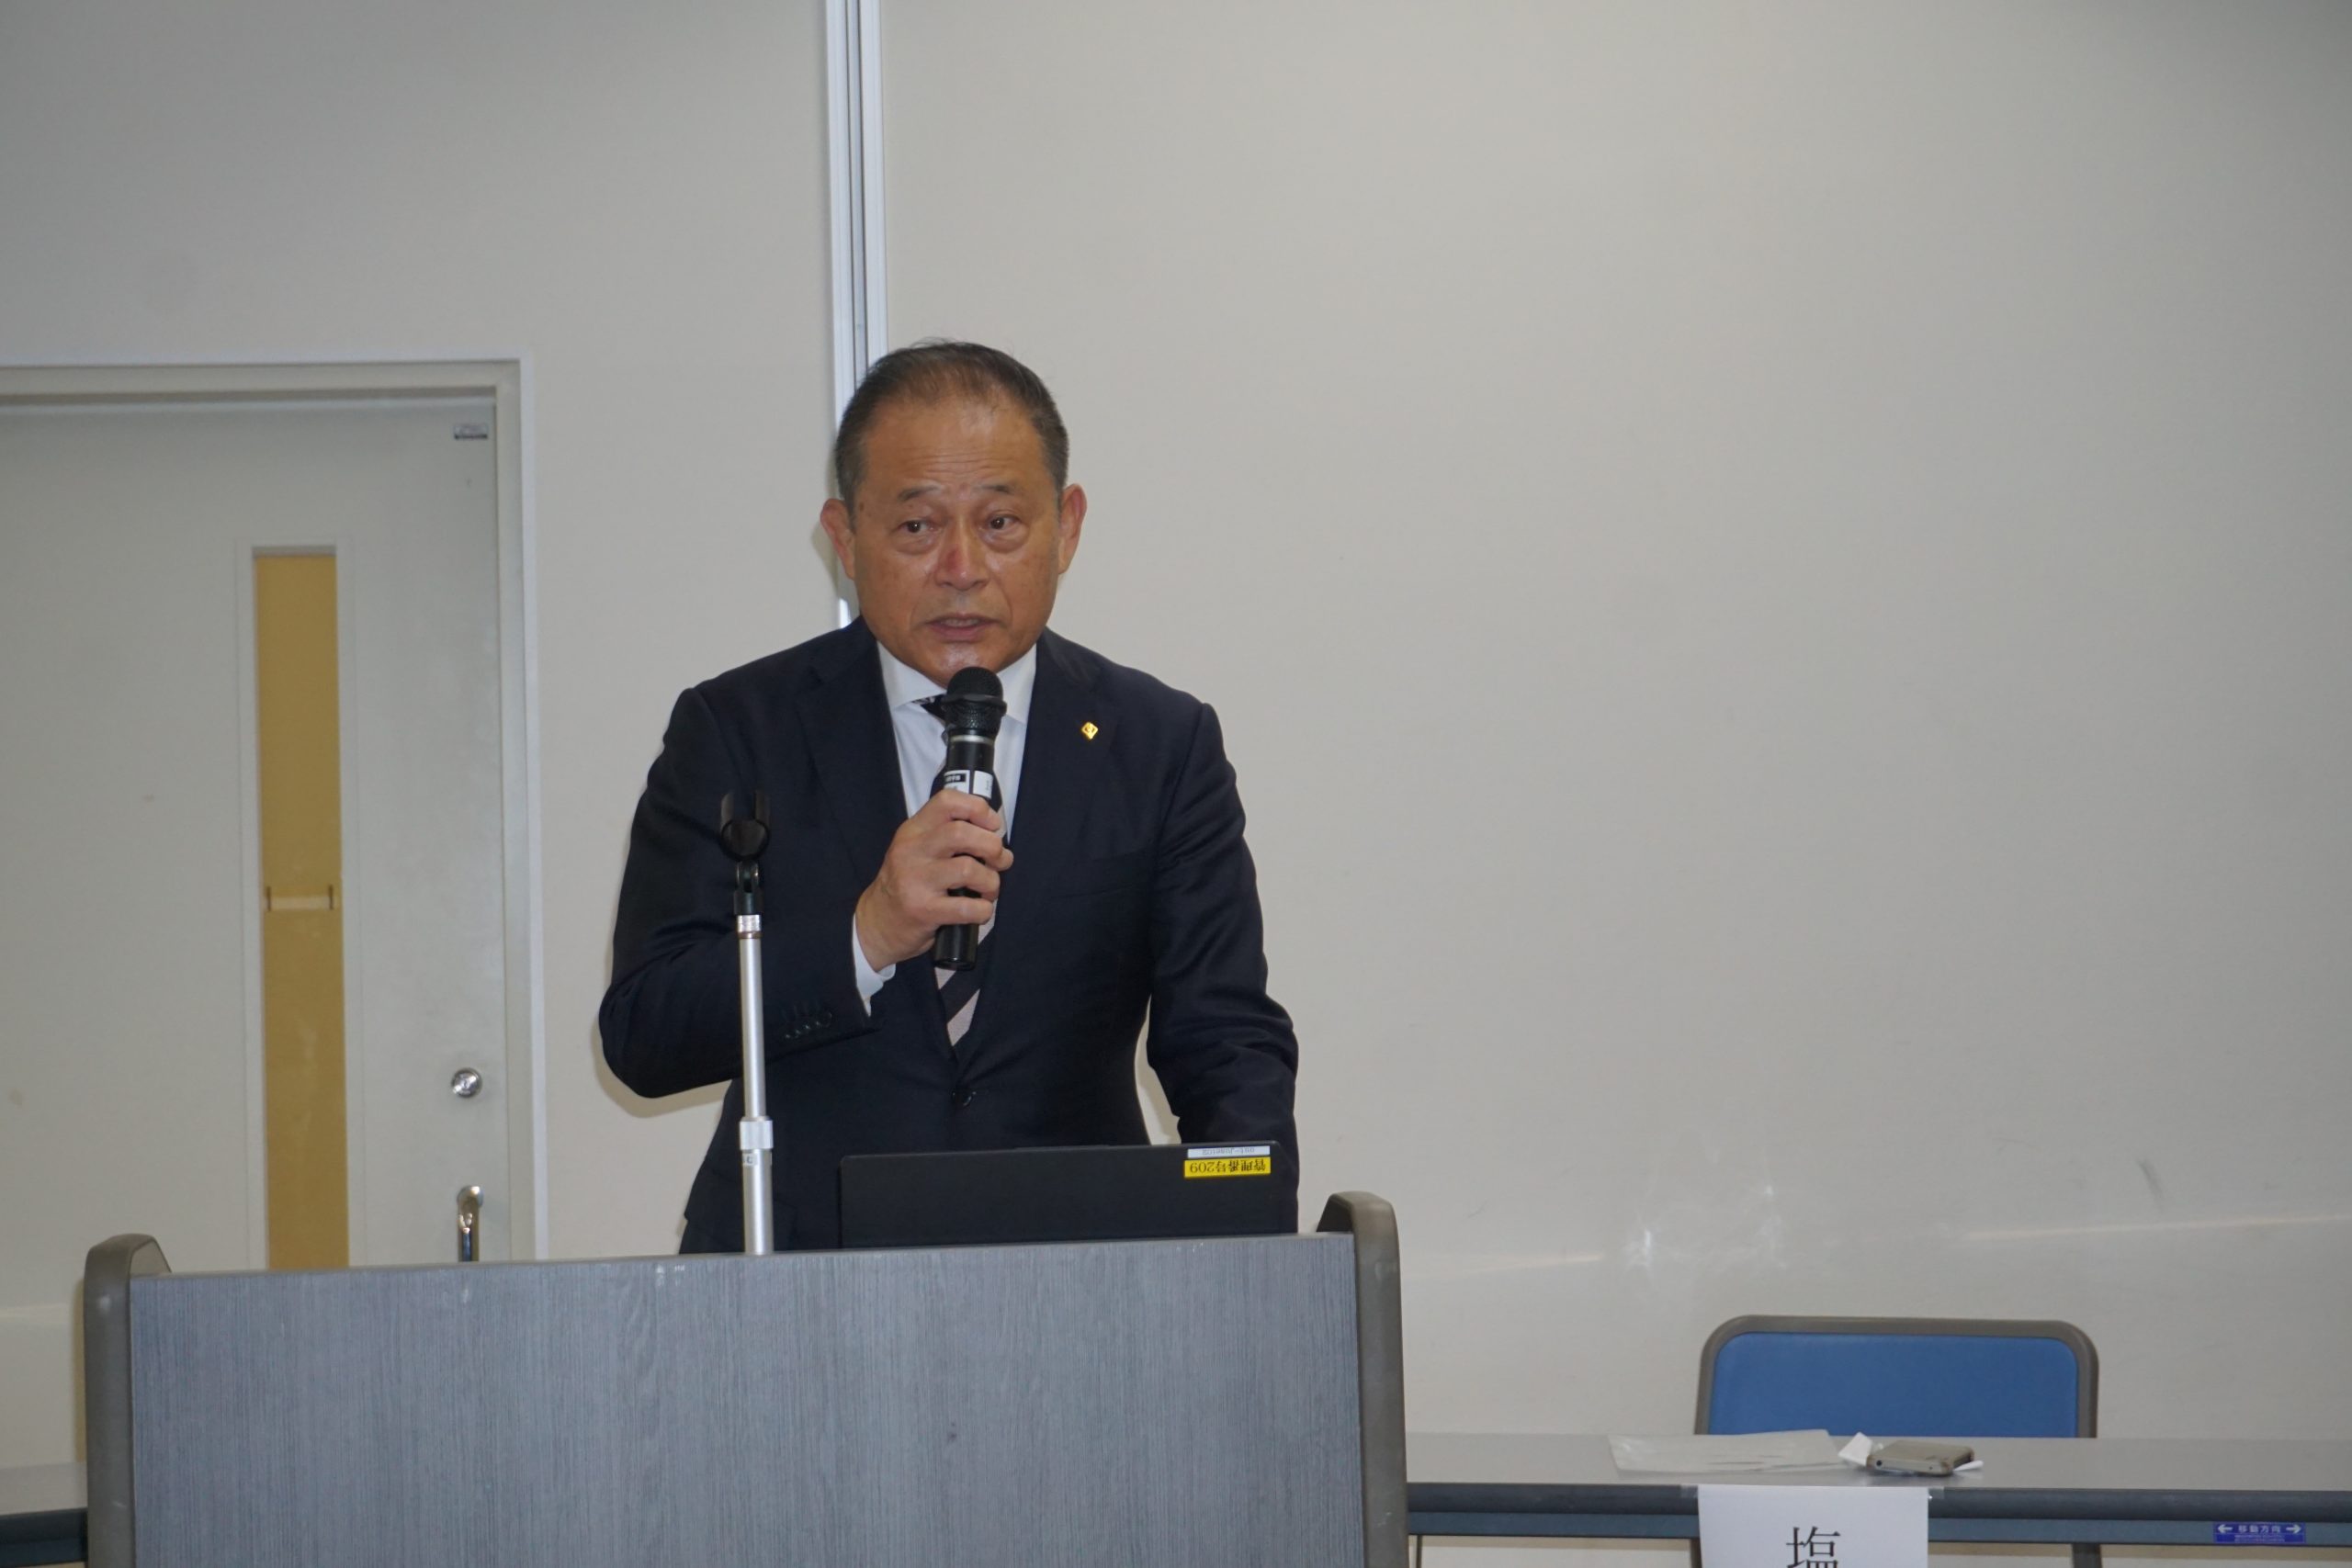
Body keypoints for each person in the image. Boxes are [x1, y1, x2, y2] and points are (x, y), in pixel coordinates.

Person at [600, 341, 1298, 1251]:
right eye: (917, 527)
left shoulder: (1158, 743)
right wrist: (866, 935)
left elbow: (1224, 1041)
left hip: (1078, 1267)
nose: (961, 567)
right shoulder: (738, 729)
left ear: (1067, 527)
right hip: (800, 1272)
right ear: (844, 539)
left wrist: (1255, 1250)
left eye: (1000, 523)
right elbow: (646, 1032)